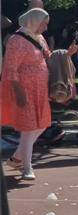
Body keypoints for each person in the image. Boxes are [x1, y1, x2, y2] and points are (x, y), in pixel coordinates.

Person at [1, 9, 53, 179]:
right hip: (25, 89)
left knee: (42, 124)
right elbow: (10, 68)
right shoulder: (16, 40)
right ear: (34, 21)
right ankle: (27, 167)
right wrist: (18, 91)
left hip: (40, 89)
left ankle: (17, 157)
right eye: (43, 23)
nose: (45, 28)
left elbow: (48, 57)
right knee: (28, 128)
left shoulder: (39, 38)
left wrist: (68, 54)